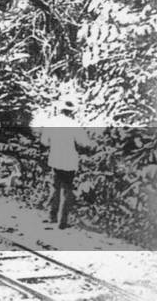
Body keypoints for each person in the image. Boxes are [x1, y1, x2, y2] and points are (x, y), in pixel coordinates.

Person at [39, 97, 90, 229]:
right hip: (69, 162)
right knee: (66, 191)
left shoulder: (51, 123)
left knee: (54, 188)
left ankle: (51, 216)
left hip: (55, 160)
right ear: (71, 112)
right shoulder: (74, 124)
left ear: (60, 110)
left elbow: (44, 141)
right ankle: (62, 222)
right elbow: (84, 143)